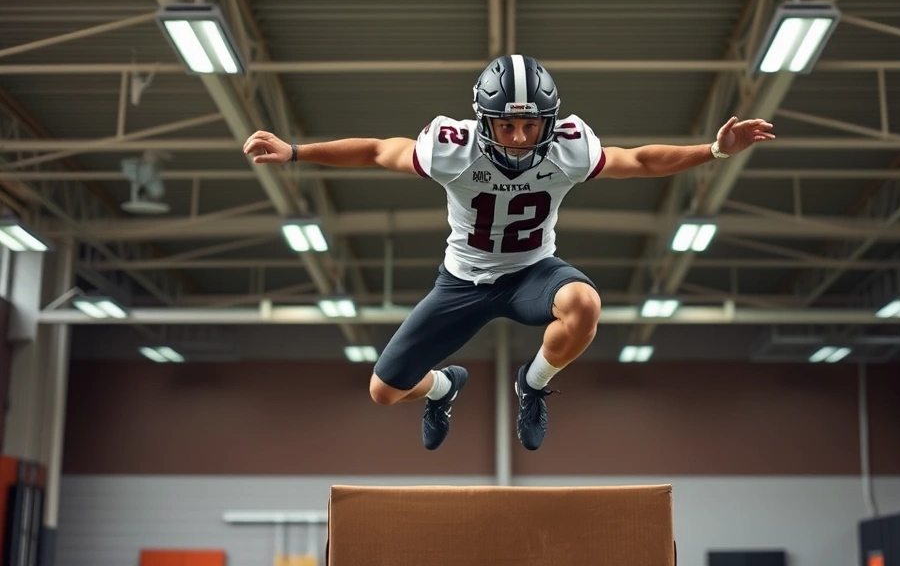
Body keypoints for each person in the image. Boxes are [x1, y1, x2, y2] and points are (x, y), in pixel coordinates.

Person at [243, 54, 774, 452]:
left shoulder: (569, 148)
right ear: (483, 120)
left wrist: (714, 151)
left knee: (585, 305)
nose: (519, 136)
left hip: (531, 274)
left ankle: (533, 383)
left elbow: (637, 161)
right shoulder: (451, 149)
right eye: (506, 124)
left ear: (551, 121)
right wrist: (296, 152)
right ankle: (443, 388)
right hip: (461, 282)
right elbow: (380, 150)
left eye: (530, 124)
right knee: (383, 392)